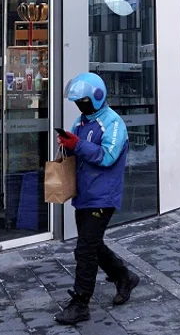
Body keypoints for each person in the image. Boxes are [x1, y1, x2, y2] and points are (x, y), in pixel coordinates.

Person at [53, 72, 141, 326]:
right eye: (78, 102)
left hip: (102, 197)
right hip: (84, 195)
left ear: (97, 97)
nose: (81, 106)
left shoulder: (113, 123)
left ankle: (81, 302)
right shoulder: (81, 122)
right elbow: (77, 148)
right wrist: (67, 144)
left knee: (85, 249)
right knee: (92, 245)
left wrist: (77, 145)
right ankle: (124, 276)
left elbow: (107, 157)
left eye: (84, 101)